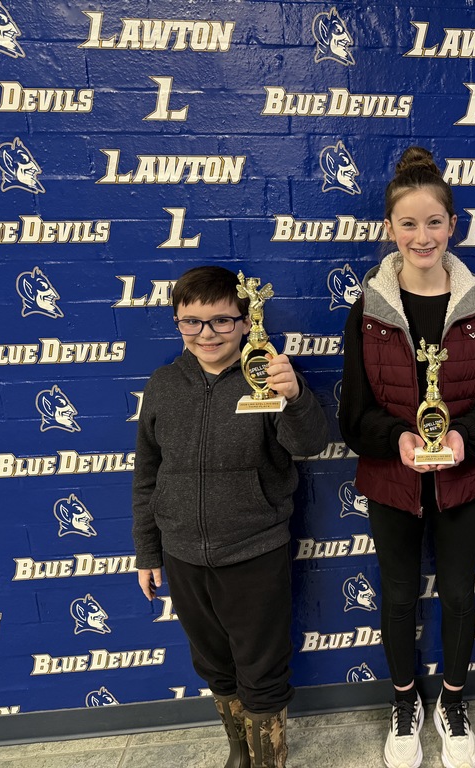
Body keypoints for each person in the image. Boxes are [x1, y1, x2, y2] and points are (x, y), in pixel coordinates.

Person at [339, 146, 475, 768]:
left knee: (461, 596)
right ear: (389, 229)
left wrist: (464, 439)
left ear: (453, 226)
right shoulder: (367, 312)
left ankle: (454, 702)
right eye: (408, 224)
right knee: (397, 597)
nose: (422, 235)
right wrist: (398, 442)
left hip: (463, 480)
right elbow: (353, 417)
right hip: (393, 481)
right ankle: (405, 700)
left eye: (434, 222)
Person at [132, 265, 328, 768]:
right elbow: (147, 475)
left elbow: (308, 446)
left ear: (245, 322)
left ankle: (269, 761)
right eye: (191, 322)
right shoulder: (162, 385)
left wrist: (296, 398)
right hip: (182, 555)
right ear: (177, 322)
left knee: (261, 671)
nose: (206, 334)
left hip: (254, 552)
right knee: (215, 667)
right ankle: (240, 752)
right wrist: (148, 551)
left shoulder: (269, 376)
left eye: (221, 321)